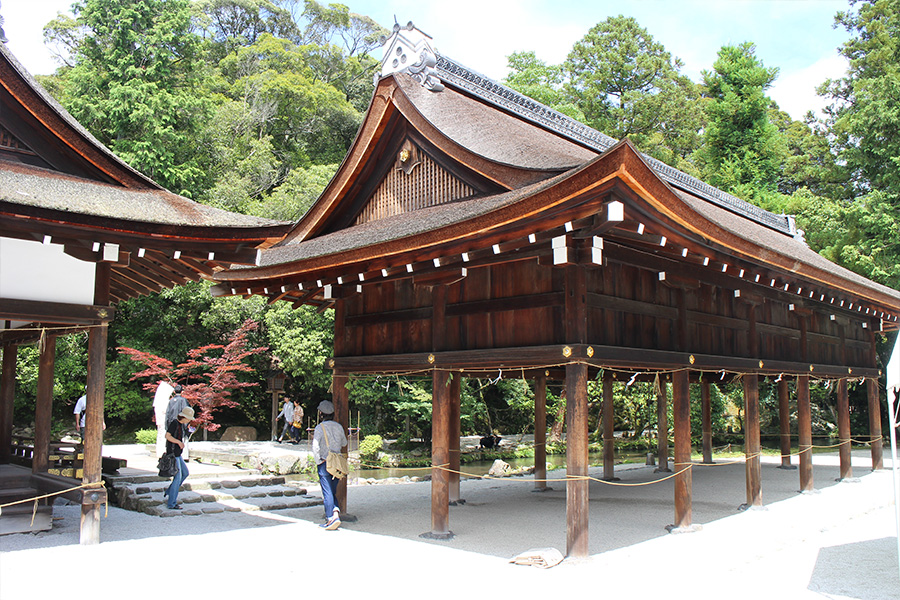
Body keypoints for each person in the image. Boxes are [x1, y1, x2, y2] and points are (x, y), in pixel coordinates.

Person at [312, 400, 347, 530]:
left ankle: (330, 518)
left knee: (327, 492)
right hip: (336, 463)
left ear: (321, 414)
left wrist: (318, 461)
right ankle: (336, 513)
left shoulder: (319, 428)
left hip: (324, 462)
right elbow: (344, 443)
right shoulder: (338, 427)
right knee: (332, 491)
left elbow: (315, 446)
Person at [164, 406, 194, 510]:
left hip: (178, 454)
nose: (189, 420)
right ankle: (172, 503)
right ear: (184, 417)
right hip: (173, 454)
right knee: (177, 477)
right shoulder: (174, 423)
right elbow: (167, 436)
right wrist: (178, 442)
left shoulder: (181, 425)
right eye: (189, 418)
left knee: (185, 473)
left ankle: (169, 491)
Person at [152, 381, 175, 458]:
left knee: (161, 435)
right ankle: (163, 452)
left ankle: (160, 451)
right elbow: (166, 411)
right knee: (164, 435)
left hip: (160, 421)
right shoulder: (163, 402)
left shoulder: (158, 402)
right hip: (163, 421)